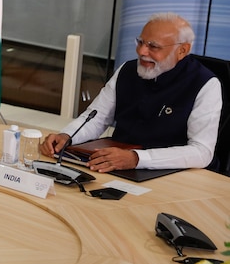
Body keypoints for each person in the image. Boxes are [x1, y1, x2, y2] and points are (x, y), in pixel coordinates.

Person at [41, 12, 221, 172]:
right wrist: (67, 136)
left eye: (153, 46)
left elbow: (201, 152)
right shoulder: (127, 70)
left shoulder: (205, 84)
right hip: (116, 163)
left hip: (173, 173)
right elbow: (96, 117)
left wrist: (136, 159)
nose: (142, 51)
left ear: (182, 50)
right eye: (141, 42)